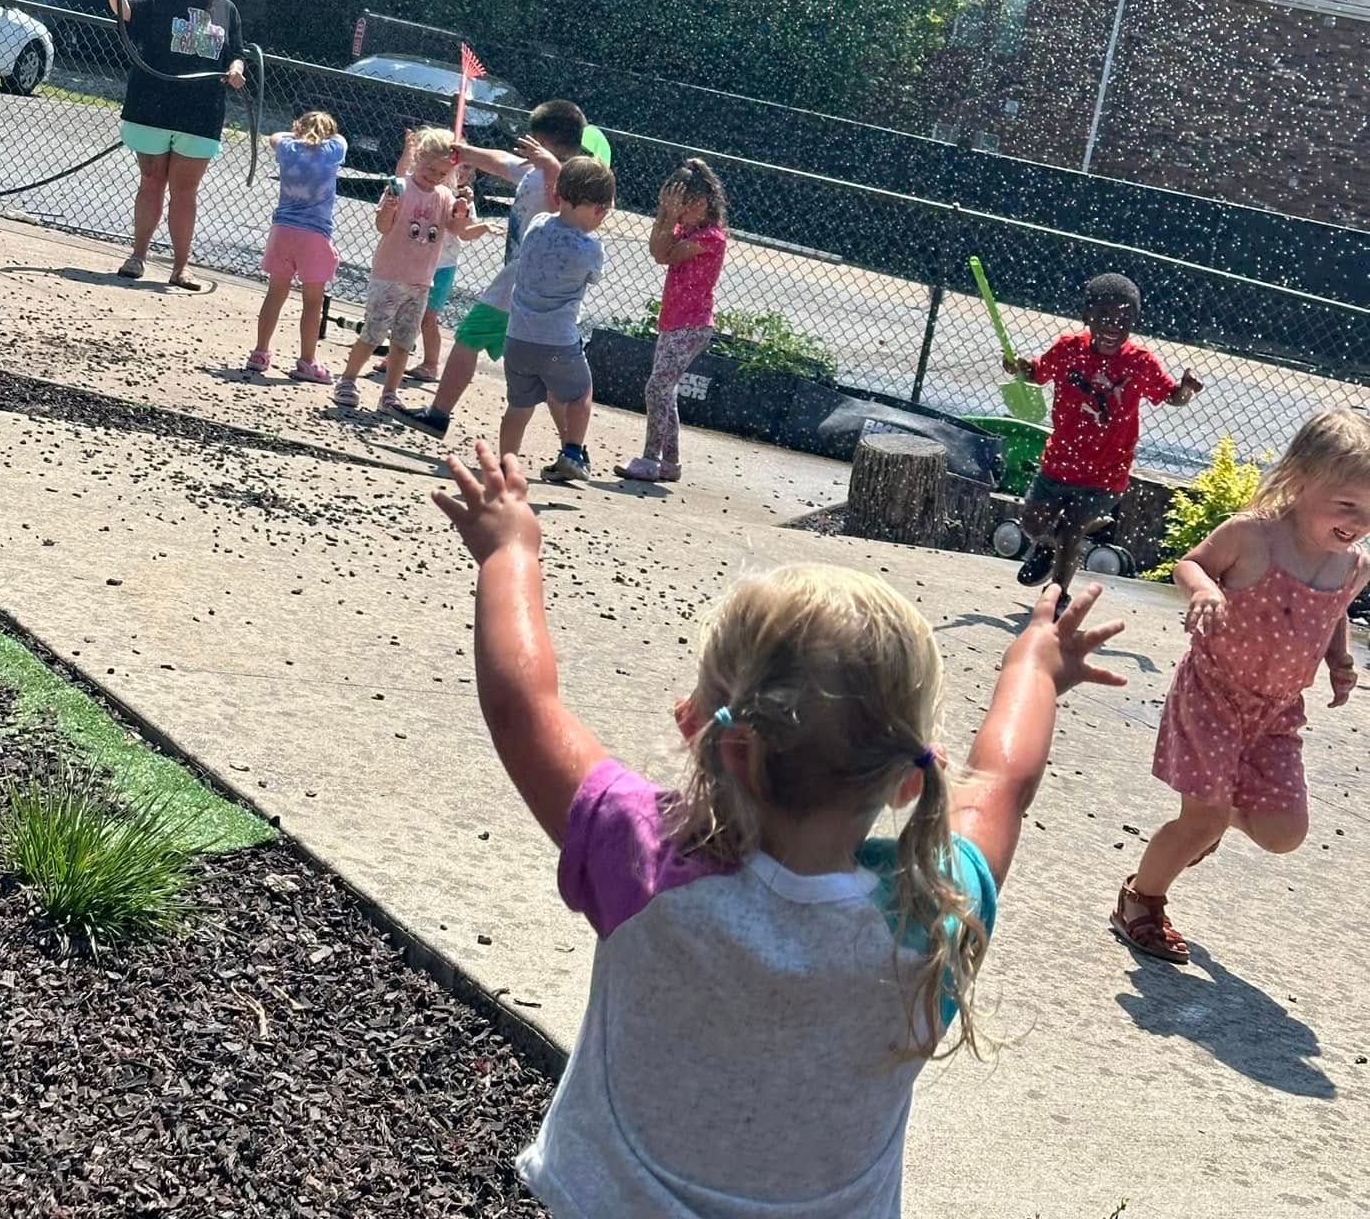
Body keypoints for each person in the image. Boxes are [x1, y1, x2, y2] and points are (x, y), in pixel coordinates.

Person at [433, 442, 1125, 1219]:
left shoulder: (648, 859)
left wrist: (509, 549)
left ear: (721, 740)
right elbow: (1001, 782)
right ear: (907, 780)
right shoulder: (937, 912)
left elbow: (524, 705)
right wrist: (1034, 666)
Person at [1111, 408, 1370, 966]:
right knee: (1198, 821)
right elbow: (1190, 564)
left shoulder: (1352, 565)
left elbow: (1332, 614)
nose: (1359, 520)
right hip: (1213, 693)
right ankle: (1141, 899)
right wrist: (1204, 589)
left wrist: (1340, 659)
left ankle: (1220, 812)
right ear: (1300, 480)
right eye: (1347, 504)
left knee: (1284, 833)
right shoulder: (1252, 536)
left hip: (1278, 712)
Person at [1004, 273, 1201, 611]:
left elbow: (1170, 396)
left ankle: (1057, 597)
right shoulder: (1068, 350)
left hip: (1105, 476)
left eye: (1124, 320)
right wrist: (1019, 368)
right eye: (1105, 317)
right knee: (1032, 523)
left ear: (1134, 322)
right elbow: (1038, 373)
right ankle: (1048, 547)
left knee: (1070, 530)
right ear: (1087, 316)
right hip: (1058, 466)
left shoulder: (1139, 362)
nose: (1113, 326)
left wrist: (1185, 391)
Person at [404, 100, 591, 441]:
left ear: (544, 143)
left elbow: (558, 202)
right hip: (525, 288)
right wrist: (467, 153)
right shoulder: (536, 170)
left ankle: (438, 415)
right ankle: (572, 448)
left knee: (469, 337)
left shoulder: (569, 178)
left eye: (531, 142)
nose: (523, 149)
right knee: (545, 372)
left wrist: (549, 165)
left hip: (521, 283)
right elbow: (501, 161)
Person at [105, 0, 245, 290]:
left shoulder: (227, 9)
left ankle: (181, 266)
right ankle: (138, 256)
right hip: (152, 106)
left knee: (185, 191)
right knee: (151, 181)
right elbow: (125, 12)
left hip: (200, 115)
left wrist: (237, 69)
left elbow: (236, 52)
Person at [332, 128, 474, 416]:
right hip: (388, 275)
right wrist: (390, 208)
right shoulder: (401, 187)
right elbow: (383, 227)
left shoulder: (445, 195)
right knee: (373, 333)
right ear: (418, 157)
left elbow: (456, 231)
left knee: (404, 341)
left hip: (421, 281)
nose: (433, 176)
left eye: (441, 173)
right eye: (430, 169)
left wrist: (461, 210)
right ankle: (347, 379)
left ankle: (390, 393)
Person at [501, 155, 615, 484]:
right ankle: (573, 453)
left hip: (518, 337)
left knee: (519, 405)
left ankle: (506, 465)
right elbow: (592, 278)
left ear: (559, 194)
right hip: (558, 341)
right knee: (580, 394)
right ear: (598, 209)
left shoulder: (537, 225)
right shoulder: (591, 246)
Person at [616, 159, 728, 485]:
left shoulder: (711, 237)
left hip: (692, 325)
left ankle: (651, 458)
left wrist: (668, 218)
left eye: (682, 207)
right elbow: (656, 250)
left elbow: (669, 255)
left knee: (657, 388)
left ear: (701, 204)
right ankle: (670, 463)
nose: (677, 213)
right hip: (672, 322)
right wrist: (664, 214)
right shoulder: (683, 227)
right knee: (666, 390)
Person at [245, 111, 348, 382]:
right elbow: (341, 138)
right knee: (312, 302)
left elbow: (274, 137)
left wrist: (296, 133)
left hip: (283, 231)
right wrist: (318, 134)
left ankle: (260, 352)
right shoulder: (333, 149)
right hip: (314, 235)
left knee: (275, 294)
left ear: (298, 128)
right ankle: (307, 361)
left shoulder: (289, 147)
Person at [409, 154, 490, 383]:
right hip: (420, 260)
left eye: (467, 169)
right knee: (409, 311)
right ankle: (399, 354)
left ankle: (431, 364)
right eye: (458, 167)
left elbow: (462, 232)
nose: (462, 173)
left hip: (443, 266)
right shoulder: (432, 190)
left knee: (428, 317)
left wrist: (481, 225)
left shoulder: (464, 200)